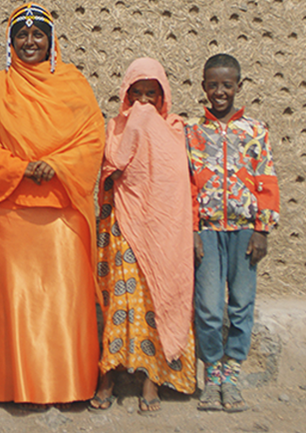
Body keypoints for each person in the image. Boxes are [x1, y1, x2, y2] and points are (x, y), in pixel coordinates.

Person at [0, 2, 105, 408]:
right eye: (21, 35)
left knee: (63, 302)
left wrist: (56, 165)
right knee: (17, 301)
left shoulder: (75, 85)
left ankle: (68, 386)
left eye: (37, 35)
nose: (29, 42)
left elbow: (93, 140)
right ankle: (16, 388)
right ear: (10, 43)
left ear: (51, 41)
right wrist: (20, 168)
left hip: (62, 212)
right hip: (12, 214)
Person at [90, 58, 197, 414]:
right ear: (126, 94)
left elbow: (176, 183)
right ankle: (108, 375)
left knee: (156, 300)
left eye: (152, 95)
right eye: (137, 94)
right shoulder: (116, 127)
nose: (144, 103)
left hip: (163, 234)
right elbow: (112, 166)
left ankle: (152, 378)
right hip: (125, 226)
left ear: (163, 96)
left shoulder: (175, 129)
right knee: (121, 302)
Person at [185, 53, 280, 413]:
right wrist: (192, 229)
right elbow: (187, 184)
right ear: (204, 87)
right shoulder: (192, 130)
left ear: (239, 86)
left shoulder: (255, 131)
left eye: (227, 85)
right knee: (208, 306)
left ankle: (232, 372)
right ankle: (212, 371)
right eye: (213, 84)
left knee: (241, 303)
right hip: (207, 229)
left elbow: (267, 180)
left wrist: (263, 229)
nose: (220, 91)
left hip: (244, 229)